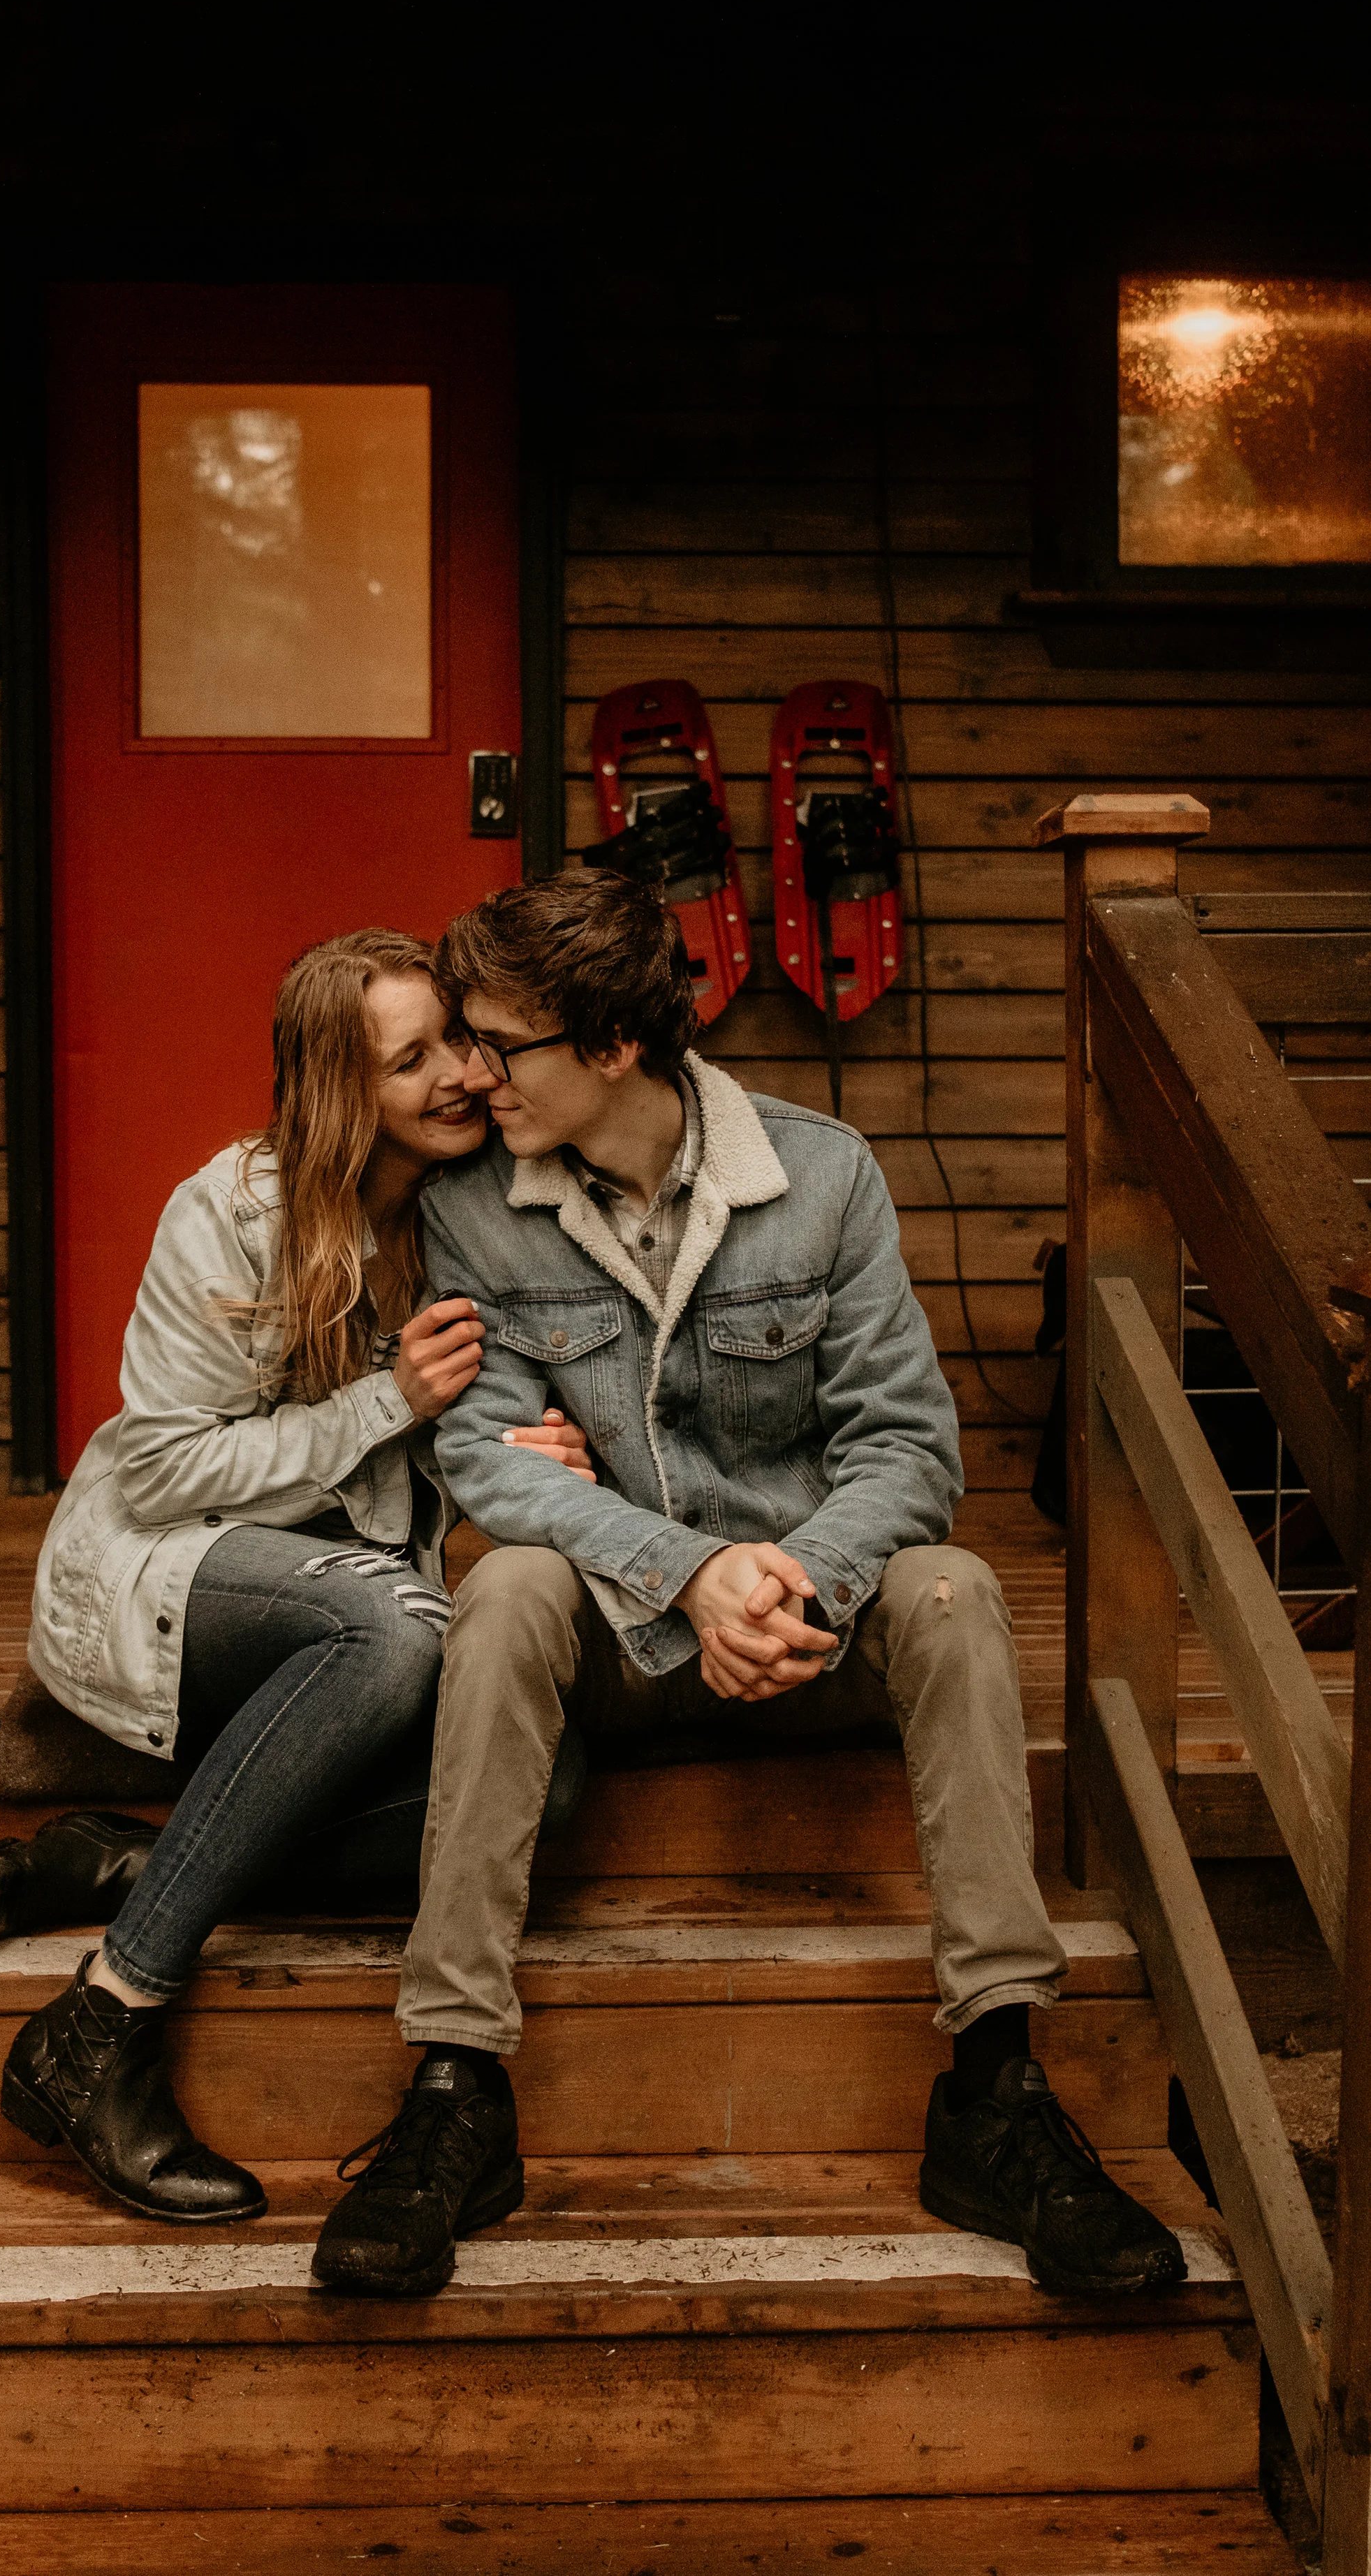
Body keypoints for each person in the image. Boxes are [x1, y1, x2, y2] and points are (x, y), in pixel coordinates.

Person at [311, 872, 1186, 2302]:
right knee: (510, 1589)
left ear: (608, 1047)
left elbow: (904, 1448)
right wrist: (689, 1571)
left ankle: (994, 2085)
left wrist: (792, 1587)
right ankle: (455, 2085)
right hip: (617, 1639)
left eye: (493, 1044)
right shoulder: (478, 1209)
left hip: (808, 1639)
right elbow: (488, 1460)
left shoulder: (822, 1176)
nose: (467, 1078)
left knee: (956, 1592)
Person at [0, 929, 595, 2223]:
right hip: (157, 1574)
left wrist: (539, 1453)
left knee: (551, 1771)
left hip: (342, 1614)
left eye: (458, 1044)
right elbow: (160, 1471)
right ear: (338, 1087)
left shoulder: (462, 1216)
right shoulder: (234, 1214)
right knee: (399, 1625)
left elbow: (445, 1458)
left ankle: (131, 1863)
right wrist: (387, 1400)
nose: (460, 1078)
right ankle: (106, 2015)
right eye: (410, 1059)